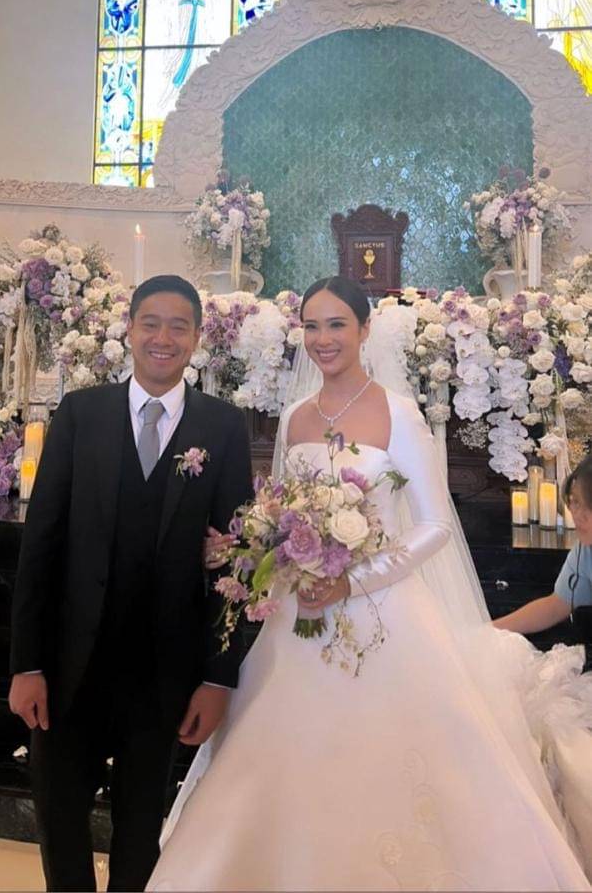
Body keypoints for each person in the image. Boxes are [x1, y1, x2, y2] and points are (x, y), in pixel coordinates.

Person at [146, 276, 590, 892]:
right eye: (312, 326)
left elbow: (434, 525)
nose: (323, 339)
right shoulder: (296, 418)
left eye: (337, 325)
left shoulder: (398, 414)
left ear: (364, 330)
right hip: (299, 619)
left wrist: (353, 581)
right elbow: (282, 511)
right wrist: (265, 552)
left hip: (384, 619)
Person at [8, 274, 253, 893]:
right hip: (70, 667)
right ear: (129, 329)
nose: (162, 338)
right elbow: (41, 545)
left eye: (178, 326)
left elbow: (236, 563)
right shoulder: (81, 413)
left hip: (165, 674)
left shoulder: (223, 427)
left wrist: (218, 678)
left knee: (141, 832)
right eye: (150, 323)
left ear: (197, 338)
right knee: (60, 821)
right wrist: (27, 664)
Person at [495, 457, 592, 658]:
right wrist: (489, 630)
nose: (575, 513)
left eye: (583, 504)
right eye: (573, 501)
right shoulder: (585, 551)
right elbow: (555, 606)